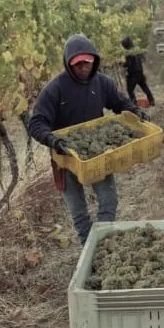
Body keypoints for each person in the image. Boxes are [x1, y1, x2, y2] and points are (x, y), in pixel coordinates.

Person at [28, 34, 150, 246]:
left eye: (88, 63)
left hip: (97, 156)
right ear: (69, 64)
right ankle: (88, 248)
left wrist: (135, 111)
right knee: (78, 212)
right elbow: (36, 123)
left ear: (94, 61)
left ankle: (101, 243)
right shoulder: (55, 89)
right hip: (66, 157)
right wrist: (53, 140)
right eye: (78, 64)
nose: (84, 68)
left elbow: (120, 103)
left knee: (109, 201)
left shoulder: (103, 83)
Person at [121, 36, 155, 107]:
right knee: (145, 87)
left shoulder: (128, 53)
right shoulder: (137, 51)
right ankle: (151, 100)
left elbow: (129, 64)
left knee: (130, 90)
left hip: (132, 74)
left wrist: (123, 64)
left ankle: (134, 104)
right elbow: (143, 60)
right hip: (140, 73)